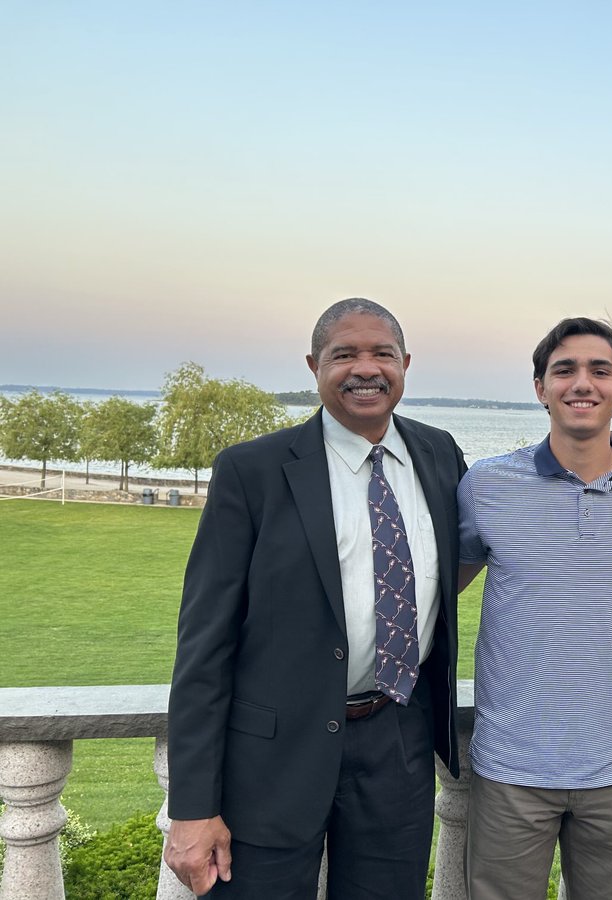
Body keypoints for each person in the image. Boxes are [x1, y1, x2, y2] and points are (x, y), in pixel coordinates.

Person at [164, 298, 466, 899]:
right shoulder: (252, 470)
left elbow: (512, 498)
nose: (366, 368)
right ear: (313, 366)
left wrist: (604, 446)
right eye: (344, 354)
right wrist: (192, 807)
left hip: (397, 743)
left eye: (382, 354)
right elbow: (204, 643)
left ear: (405, 364)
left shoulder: (440, 455)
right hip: (273, 758)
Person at [457, 317, 612, 900]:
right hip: (510, 767)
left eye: (600, 371)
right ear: (541, 387)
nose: (582, 383)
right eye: (564, 370)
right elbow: (438, 590)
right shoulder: (486, 485)